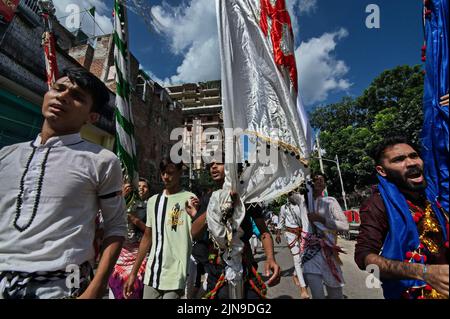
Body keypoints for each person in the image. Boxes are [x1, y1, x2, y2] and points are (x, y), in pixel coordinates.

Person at [0, 67, 126, 299]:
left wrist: (95, 289)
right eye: (59, 88)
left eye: (77, 96)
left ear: (92, 117)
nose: (63, 96)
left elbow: (116, 228)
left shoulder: (102, 160)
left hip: (63, 284)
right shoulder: (6, 155)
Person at [355, 136, 449, 299]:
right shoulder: (377, 204)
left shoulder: (432, 196)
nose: (411, 163)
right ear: (382, 171)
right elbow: (364, 258)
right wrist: (424, 272)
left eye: (414, 156)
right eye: (399, 159)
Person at [189, 161, 281, 299]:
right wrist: (215, 207)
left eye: (219, 163)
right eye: (211, 164)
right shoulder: (209, 199)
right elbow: (194, 233)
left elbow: (263, 232)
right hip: (217, 272)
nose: (213, 167)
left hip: (246, 269)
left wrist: (270, 258)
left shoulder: (248, 198)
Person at [123, 158, 197, 299]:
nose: (165, 177)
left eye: (170, 172)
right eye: (163, 173)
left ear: (180, 172)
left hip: (176, 274)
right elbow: (147, 237)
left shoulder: (189, 199)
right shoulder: (153, 201)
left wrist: (197, 215)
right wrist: (133, 273)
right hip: (152, 274)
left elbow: (195, 233)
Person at [302, 174, 349, 299]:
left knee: (336, 295)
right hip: (310, 253)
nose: (317, 182)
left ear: (324, 185)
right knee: (317, 296)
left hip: (328, 252)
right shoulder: (302, 203)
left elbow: (345, 225)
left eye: (321, 180)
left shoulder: (330, 201)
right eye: (314, 180)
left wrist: (321, 219)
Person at [108, 177, 151, 299]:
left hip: (140, 257)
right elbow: (107, 223)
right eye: (139, 186)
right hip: (120, 258)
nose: (141, 188)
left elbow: (152, 233)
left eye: (145, 186)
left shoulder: (151, 206)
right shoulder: (118, 203)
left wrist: (135, 220)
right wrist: (121, 199)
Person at [275, 191, 310, 299]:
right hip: (290, 234)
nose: (292, 195)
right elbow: (280, 221)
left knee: (303, 257)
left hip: (303, 233)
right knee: (297, 259)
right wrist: (278, 234)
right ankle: (303, 288)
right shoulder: (283, 208)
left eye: (294, 192)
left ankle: (295, 274)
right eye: (289, 193)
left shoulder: (302, 204)